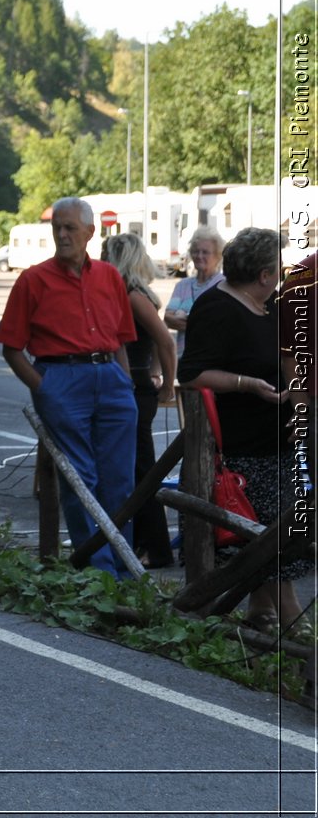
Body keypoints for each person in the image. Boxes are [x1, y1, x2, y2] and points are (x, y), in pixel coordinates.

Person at [0, 198, 139, 578]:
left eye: (69, 228)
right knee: (80, 481)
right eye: (56, 227)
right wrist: (45, 388)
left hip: (110, 377)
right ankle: (98, 572)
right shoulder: (33, 280)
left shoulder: (109, 276)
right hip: (61, 379)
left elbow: (122, 337)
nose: (61, 235)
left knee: (120, 481)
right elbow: (12, 348)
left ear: (90, 233)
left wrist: (124, 383)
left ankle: (124, 570)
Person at [179, 228, 311, 631]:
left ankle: (261, 611)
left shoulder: (268, 307)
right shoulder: (216, 306)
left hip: (277, 439)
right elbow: (192, 373)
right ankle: (293, 623)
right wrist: (246, 384)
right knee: (271, 536)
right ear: (265, 274)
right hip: (244, 445)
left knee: (279, 532)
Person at [101, 232, 177, 568]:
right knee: (134, 469)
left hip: (136, 390)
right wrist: (158, 371)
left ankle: (156, 548)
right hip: (134, 385)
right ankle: (144, 543)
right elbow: (156, 342)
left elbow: (166, 341)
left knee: (143, 470)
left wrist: (166, 385)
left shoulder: (132, 296)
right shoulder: (129, 293)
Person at [164, 226, 225, 360]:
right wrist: (199, 323)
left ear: (217, 255)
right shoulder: (182, 285)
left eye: (205, 252)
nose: (199, 256)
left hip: (213, 358)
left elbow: (220, 325)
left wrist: (183, 317)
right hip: (184, 357)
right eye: (196, 251)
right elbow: (168, 319)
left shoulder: (224, 285)